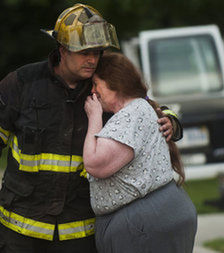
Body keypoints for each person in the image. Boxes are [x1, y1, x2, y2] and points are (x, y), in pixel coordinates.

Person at [0, 3, 183, 253]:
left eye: (97, 52)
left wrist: (170, 120)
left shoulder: (103, 87)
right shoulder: (23, 83)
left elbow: (143, 105)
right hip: (20, 229)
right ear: (62, 50)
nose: (93, 60)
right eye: (84, 52)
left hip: (80, 230)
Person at [83, 52, 197, 253]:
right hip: (156, 216)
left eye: (96, 84)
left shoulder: (130, 113)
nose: (91, 92)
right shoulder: (137, 107)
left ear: (115, 83)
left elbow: (94, 163)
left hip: (141, 225)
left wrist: (94, 117)